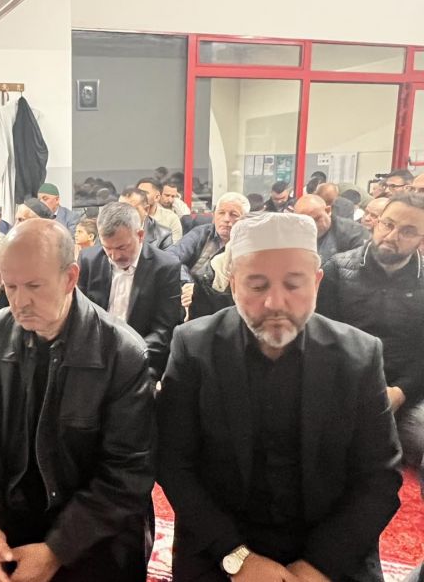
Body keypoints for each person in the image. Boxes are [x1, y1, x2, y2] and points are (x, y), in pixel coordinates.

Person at [157, 212, 402, 581]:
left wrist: (319, 566)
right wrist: (238, 558)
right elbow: (174, 463)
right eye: (257, 286)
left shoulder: (358, 355)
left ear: (316, 282)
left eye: (293, 284)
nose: (275, 302)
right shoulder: (195, 347)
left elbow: (379, 477)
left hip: (328, 545)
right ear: (233, 284)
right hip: (224, 545)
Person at [0, 218, 154, 582]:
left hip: (91, 520)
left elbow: (126, 474)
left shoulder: (122, 352)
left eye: (34, 286)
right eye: (11, 286)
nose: (20, 302)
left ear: (70, 277)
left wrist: (56, 550)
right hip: (8, 506)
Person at [317, 193, 424, 468]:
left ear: (421, 239)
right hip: (346, 384)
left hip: (408, 390)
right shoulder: (337, 269)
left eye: (408, 231)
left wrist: (401, 390)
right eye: (388, 224)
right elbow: (323, 338)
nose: (392, 235)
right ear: (375, 222)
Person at [78, 202, 182, 381]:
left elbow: (163, 331)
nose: (114, 256)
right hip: (94, 356)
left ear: (140, 235)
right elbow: (80, 317)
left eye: (121, 247)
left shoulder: (165, 267)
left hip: (141, 357)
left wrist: (125, 357)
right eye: (107, 248)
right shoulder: (89, 260)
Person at [168, 192, 249, 318]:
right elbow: (170, 257)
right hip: (187, 293)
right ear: (214, 216)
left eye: (234, 215)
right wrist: (188, 283)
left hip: (222, 303)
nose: (226, 219)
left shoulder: (248, 244)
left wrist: (198, 291)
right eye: (221, 213)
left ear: (245, 220)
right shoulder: (202, 233)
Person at [294, 194, 368, 262]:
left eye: (316, 219)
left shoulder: (353, 232)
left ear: (328, 211)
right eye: (304, 223)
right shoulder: (295, 232)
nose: (312, 225)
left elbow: (359, 265)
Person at [137, 178, 183, 242]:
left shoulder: (171, 218)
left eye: (145, 193)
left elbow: (175, 246)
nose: (139, 196)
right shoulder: (129, 216)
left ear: (157, 197)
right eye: (138, 192)